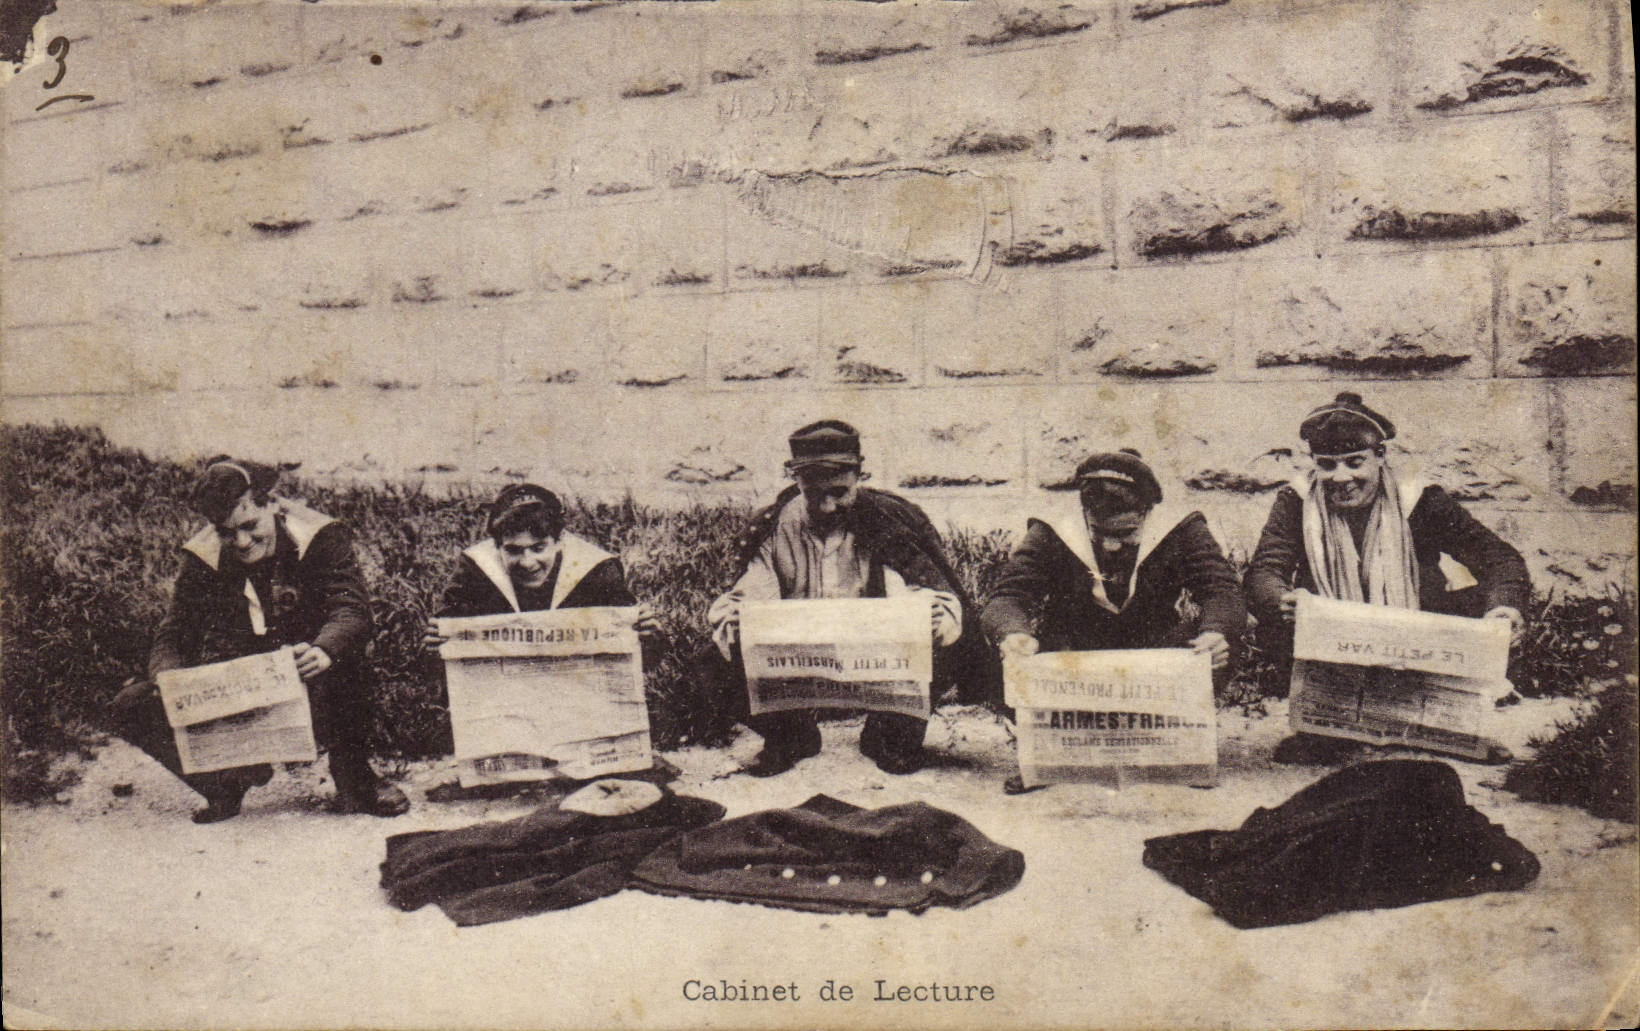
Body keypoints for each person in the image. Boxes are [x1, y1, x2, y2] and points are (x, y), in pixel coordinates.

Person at [111, 458, 409, 823]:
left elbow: (352, 609)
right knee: (133, 702)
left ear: (272, 505)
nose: (242, 542)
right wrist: (167, 677)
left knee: (347, 654)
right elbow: (174, 631)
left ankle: (355, 777)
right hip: (240, 679)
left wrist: (324, 649)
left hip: (306, 669)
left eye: (251, 526)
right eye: (225, 532)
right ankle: (222, 782)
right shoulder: (203, 556)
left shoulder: (320, 536)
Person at [1243, 393, 1531, 758]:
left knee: (1481, 610)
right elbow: (1265, 570)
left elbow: (1499, 557)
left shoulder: (1420, 500)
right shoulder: (1297, 501)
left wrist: (1504, 608)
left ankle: (1448, 726)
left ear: (1380, 457)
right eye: (1328, 465)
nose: (1341, 477)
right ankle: (1325, 728)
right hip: (1335, 636)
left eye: (1355, 462)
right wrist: (1281, 599)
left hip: (1415, 629)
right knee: (1277, 621)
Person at [707, 420, 981, 777]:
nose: (828, 506)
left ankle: (889, 736)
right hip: (800, 657)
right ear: (797, 483)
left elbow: (918, 588)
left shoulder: (887, 521)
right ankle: (792, 735)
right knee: (712, 660)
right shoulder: (775, 527)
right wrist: (740, 618)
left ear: (860, 475)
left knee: (948, 648)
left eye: (839, 491)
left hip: (875, 658)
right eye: (814, 494)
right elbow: (751, 593)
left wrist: (929, 616)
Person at [981, 448, 1244, 690]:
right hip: (1073, 652)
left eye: (1126, 533)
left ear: (1147, 512)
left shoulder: (1181, 528)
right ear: (1085, 513)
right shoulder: (1053, 529)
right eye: (1098, 532)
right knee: (1006, 660)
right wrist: (1013, 634)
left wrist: (1215, 632)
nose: (1111, 546)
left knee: (1216, 652)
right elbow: (1008, 596)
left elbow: (1222, 590)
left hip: (1154, 650)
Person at [423, 483, 658, 629]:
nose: (527, 563)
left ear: (559, 541)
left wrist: (648, 635)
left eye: (538, 548)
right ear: (496, 546)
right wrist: (435, 644)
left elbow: (639, 657)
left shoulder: (595, 568)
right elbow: (440, 653)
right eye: (513, 550)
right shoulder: (476, 567)